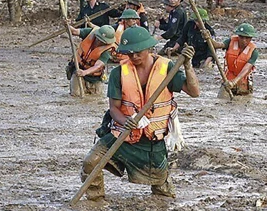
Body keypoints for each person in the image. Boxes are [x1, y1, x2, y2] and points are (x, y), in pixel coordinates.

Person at [80, 28, 201, 200]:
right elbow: (114, 108)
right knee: (91, 162)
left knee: (161, 187)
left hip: (152, 140)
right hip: (123, 135)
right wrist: (125, 121)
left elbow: (194, 92)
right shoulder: (119, 73)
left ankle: (162, 210)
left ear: (149, 49)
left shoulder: (167, 69)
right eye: (129, 54)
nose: (134, 57)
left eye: (138, 52)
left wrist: (188, 66)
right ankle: (96, 201)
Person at [69, 24, 117, 97]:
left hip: (95, 77)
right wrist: (67, 24)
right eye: (99, 39)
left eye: (103, 41)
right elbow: (74, 32)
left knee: (97, 96)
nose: (99, 42)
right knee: (76, 95)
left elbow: (98, 65)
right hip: (79, 70)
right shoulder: (91, 33)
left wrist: (85, 72)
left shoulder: (108, 49)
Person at [223, 23, 258, 96]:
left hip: (243, 81)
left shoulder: (254, 51)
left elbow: (246, 69)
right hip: (228, 78)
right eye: (241, 37)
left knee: (243, 102)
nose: (243, 40)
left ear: (251, 38)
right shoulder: (230, 41)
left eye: (246, 38)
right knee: (222, 98)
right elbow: (218, 45)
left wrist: (234, 82)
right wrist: (209, 38)